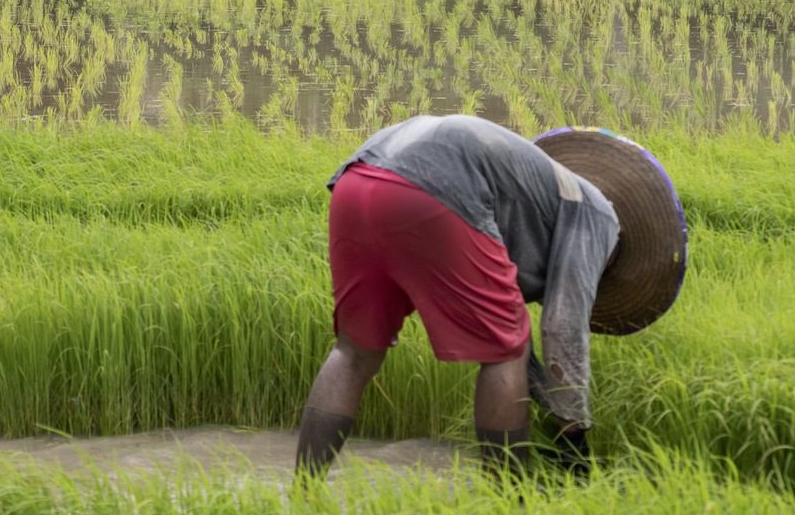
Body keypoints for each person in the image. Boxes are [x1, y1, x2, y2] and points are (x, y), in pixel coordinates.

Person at [294, 115, 686, 480]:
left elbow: (509, 299)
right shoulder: (600, 218)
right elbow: (562, 325)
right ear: (617, 249)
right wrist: (573, 435)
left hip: (357, 180)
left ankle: (303, 493)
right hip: (434, 188)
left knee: (354, 351)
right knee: (505, 352)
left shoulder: (534, 196)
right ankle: (508, 502)